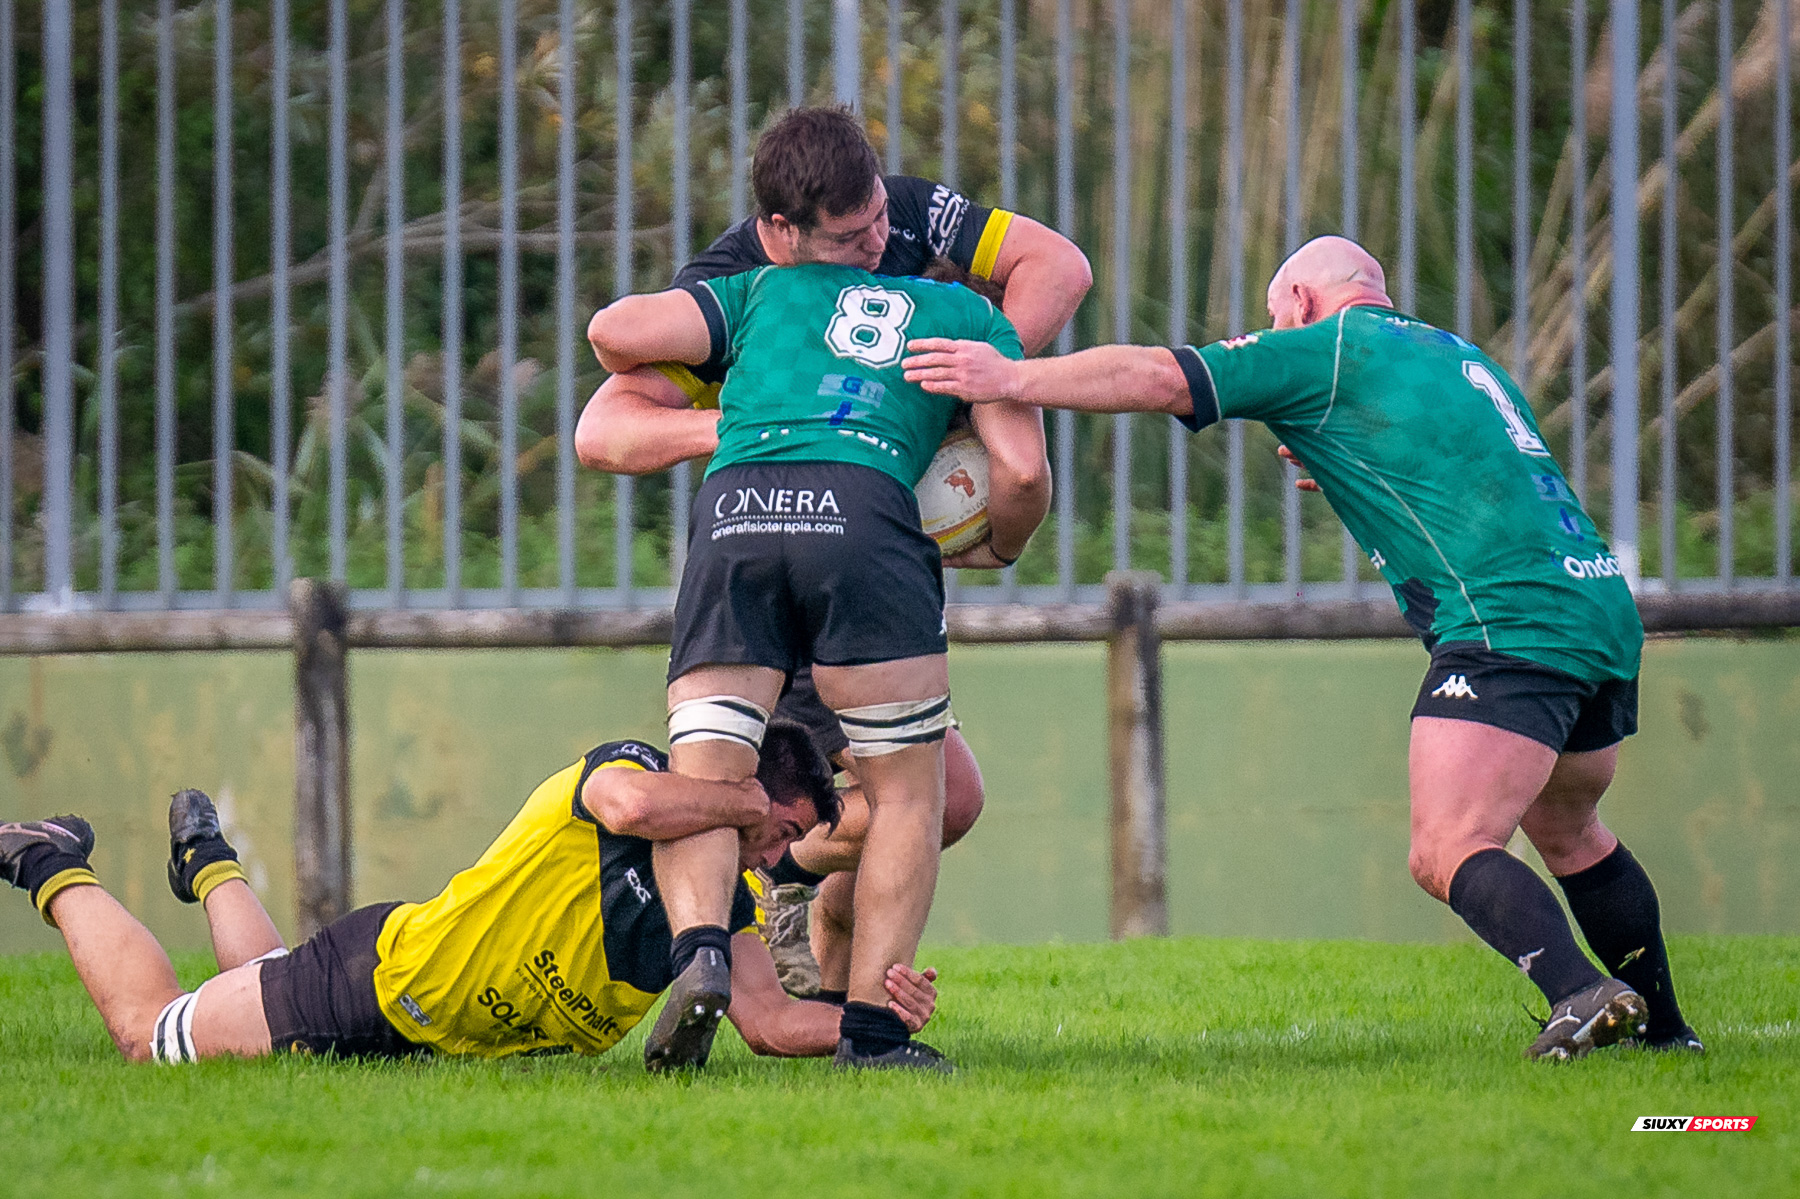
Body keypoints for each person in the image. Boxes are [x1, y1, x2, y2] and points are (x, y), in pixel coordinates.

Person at [900, 234, 1702, 1062]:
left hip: (1509, 621)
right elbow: (1470, 462)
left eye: (1276, 313)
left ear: (1303, 303)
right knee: (1571, 831)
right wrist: (1353, 456)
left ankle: (1579, 990)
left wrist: (1009, 376)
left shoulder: (1326, 345)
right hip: (1597, 604)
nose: (1273, 330)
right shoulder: (1453, 353)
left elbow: (1159, 376)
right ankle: (1669, 1035)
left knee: (1449, 844)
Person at [577, 106, 1090, 996]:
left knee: (942, 800)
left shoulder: (904, 214)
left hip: (861, 521)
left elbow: (1057, 266)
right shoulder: (743, 276)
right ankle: (778, 907)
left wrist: (958, 390)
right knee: (915, 795)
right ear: (780, 232)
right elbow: (603, 425)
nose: (879, 240)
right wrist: (777, 420)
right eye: (852, 236)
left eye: (880, 220)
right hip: (802, 536)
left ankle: (797, 919)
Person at [0, 723, 939, 1065]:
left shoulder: (719, 897)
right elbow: (629, 799)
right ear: (751, 787)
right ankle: (49, 862)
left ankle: (206, 857)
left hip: (423, 1019)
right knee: (153, 1033)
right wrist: (738, 802)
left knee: (260, 983)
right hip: (379, 980)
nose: (777, 860)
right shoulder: (634, 776)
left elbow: (769, 1018)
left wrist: (875, 1020)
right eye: (780, 832)